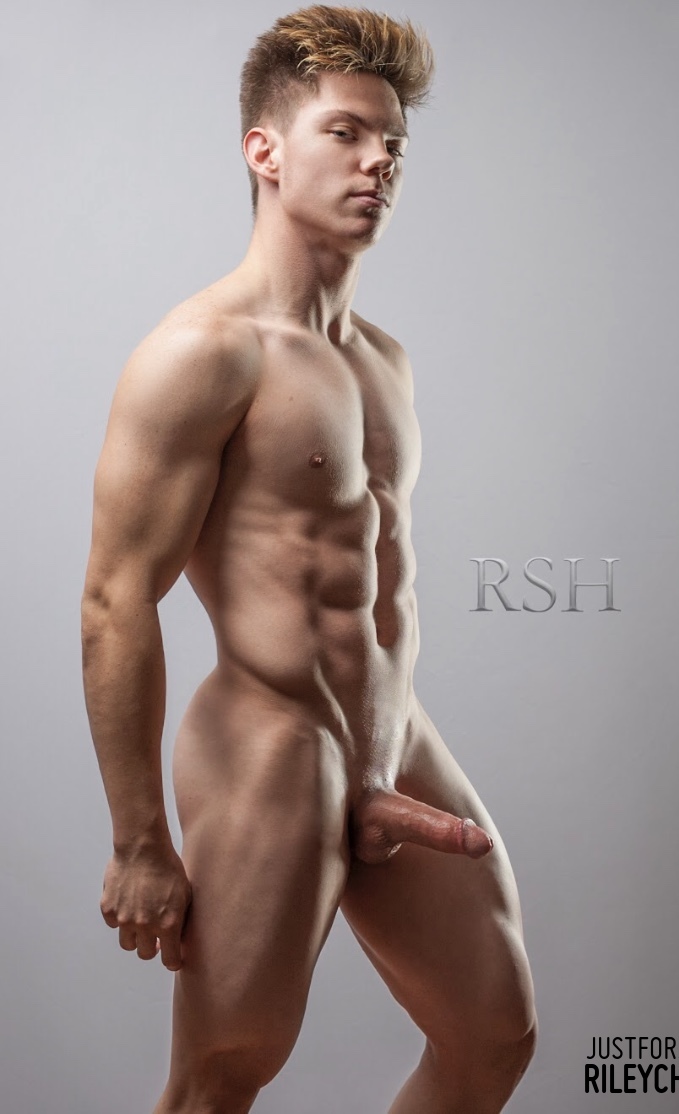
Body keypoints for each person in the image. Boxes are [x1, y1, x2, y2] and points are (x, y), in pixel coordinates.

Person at [80, 5, 537, 1111]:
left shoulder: (383, 361)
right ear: (266, 150)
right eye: (347, 132)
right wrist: (139, 840)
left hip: (391, 734)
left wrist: (379, 756)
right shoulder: (203, 352)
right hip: (271, 741)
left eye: (394, 143)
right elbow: (114, 600)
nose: (380, 160)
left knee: (493, 1040)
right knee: (223, 1073)